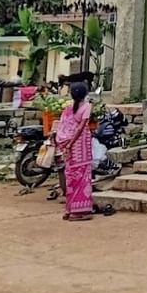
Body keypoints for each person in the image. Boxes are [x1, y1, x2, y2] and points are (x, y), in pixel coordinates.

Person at [57, 82, 93, 221]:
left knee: (71, 178)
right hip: (80, 148)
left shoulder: (68, 108)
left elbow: (63, 126)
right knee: (82, 178)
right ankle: (78, 211)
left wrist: (67, 145)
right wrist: (72, 143)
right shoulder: (86, 107)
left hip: (68, 148)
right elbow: (80, 128)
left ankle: (69, 209)